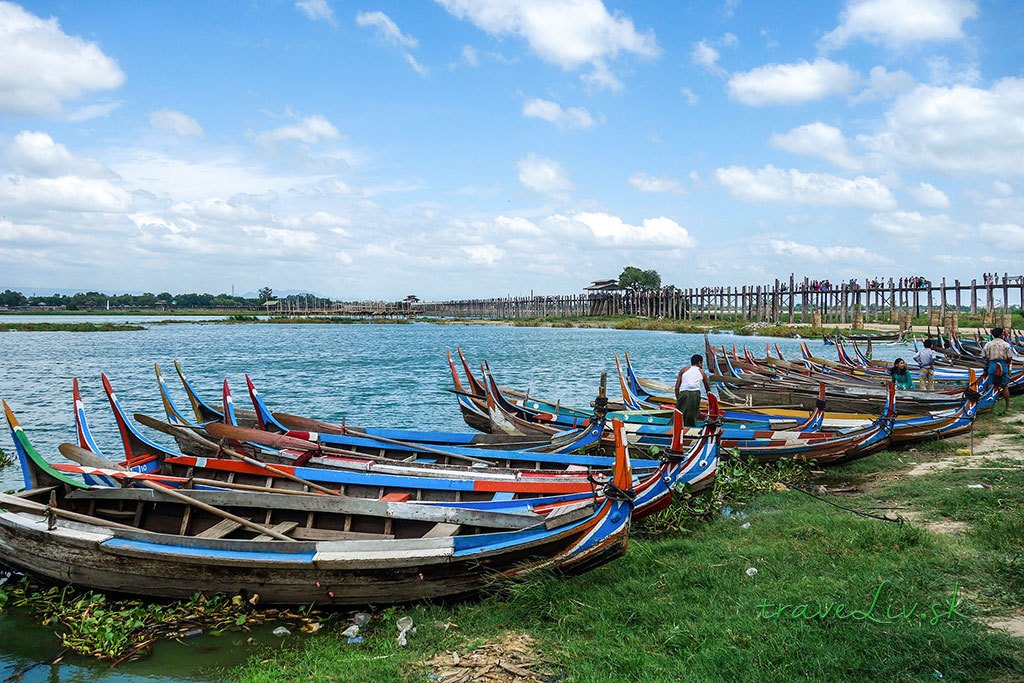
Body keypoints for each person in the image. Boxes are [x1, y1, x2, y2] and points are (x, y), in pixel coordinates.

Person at [674, 354, 711, 427]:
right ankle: (690, 428)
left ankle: (676, 427)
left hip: (683, 393)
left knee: (679, 412)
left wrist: (678, 399)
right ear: (699, 363)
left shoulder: (684, 370)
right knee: (692, 414)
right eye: (702, 363)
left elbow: (676, 388)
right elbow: (708, 388)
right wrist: (709, 400)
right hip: (695, 394)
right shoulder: (702, 372)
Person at [982, 327, 1014, 412]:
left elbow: (984, 356)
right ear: (1001, 335)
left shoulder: (988, 344)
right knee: (1005, 386)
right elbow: (1010, 357)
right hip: (1003, 365)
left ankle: (988, 406)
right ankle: (1007, 405)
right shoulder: (1006, 345)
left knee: (990, 385)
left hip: (992, 365)